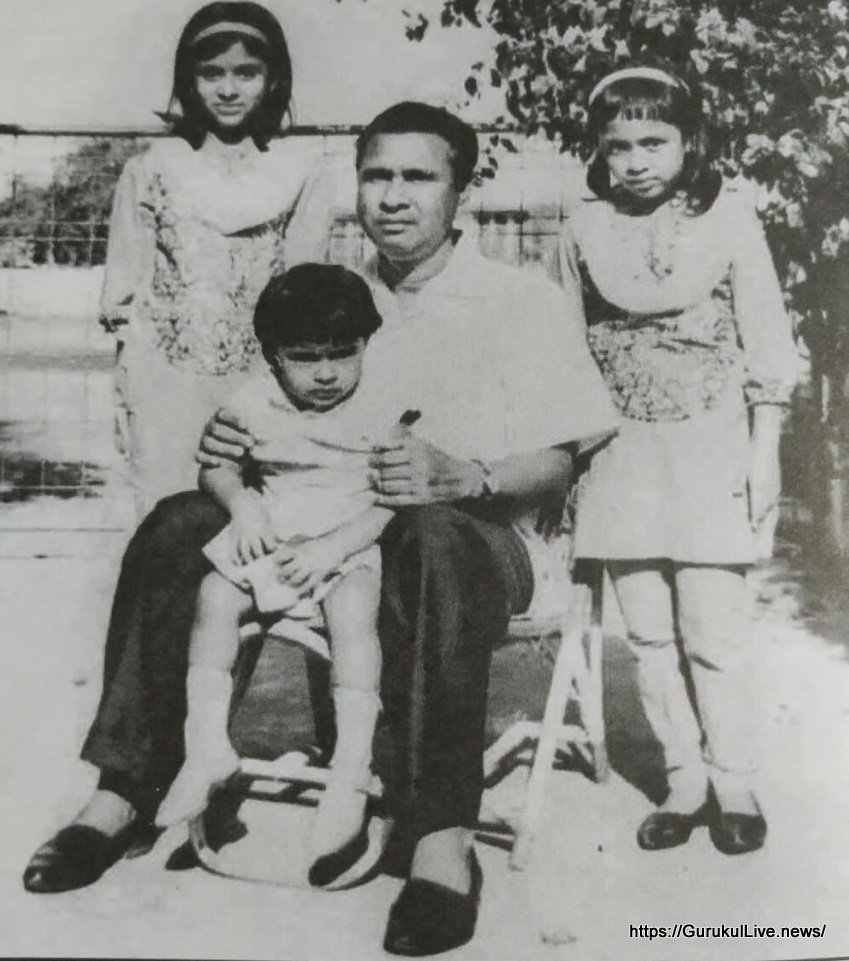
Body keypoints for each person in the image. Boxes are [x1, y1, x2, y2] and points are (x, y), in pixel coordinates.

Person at [24, 101, 618, 956]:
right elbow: (261, 414)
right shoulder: (330, 295)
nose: (393, 196)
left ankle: (439, 837)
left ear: (462, 188)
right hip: (323, 524)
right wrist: (227, 445)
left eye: (418, 177)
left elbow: (559, 459)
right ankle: (123, 788)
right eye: (376, 176)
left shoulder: (519, 299)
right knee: (176, 523)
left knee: (431, 534)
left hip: (478, 537)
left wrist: (471, 475)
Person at [554, 65, 799, 856]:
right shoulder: (581, 227)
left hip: (710, 445)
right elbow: (559, 345)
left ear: (688, 142)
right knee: (649, 633)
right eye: (617, 145)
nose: (635, 161)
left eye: (652, 142)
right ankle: (683, 778)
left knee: (711, 628)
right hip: (619, 452)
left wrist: (763, 453)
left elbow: (765, 336)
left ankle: (733, 779)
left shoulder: (729, 218)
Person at [155, 264, 398, 890]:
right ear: (273, 356)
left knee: (354, 611)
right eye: (305, 358)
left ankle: (350, 768)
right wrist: (242, 504)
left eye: (342, 354)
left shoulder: (383, 405)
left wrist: (332, 548)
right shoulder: (252, 401)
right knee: (215, 595)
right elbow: (216, 467)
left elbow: (394, 499)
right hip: (273, 531)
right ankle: (207, 747)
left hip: (345, 541)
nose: (326, 373)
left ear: (366, 345)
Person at [101, 1, 333, 515]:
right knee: (167, 517)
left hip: (260, 380)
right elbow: (125, 290)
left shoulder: (301, 171)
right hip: (165, 380)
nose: (228, 89)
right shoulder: (152, 167)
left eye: (246, 73)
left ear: (273, 79)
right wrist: (125, 392)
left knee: (259, 519)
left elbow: (303, 292)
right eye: (211, 74)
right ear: (190, 79)